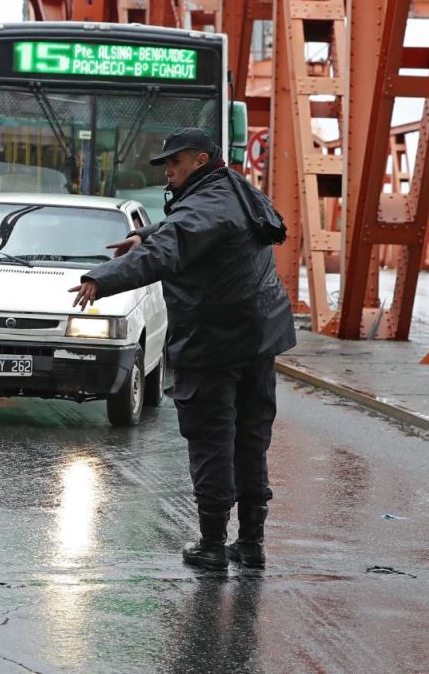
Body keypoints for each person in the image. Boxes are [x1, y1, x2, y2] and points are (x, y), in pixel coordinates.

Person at [68, 127, 295, 571]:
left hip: (214, 342)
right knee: (251, 440)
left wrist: (104, 278)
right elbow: (192, 227)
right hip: (259, 338)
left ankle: (212, 546)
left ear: (200, 160)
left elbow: (171, 249)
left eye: (175, 162)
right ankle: (251, 543)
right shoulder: (235, 188)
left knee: (211, 440)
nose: (167, 171)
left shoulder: (204, 206)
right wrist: (146, 233)